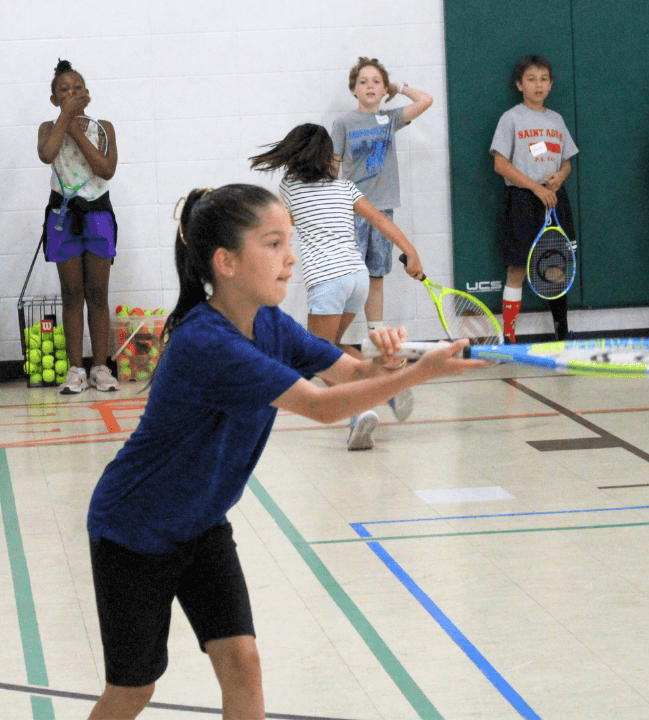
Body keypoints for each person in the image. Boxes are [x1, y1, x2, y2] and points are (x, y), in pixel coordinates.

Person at [85, 185, 484, 720]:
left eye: (288, 241)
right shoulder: (208, 343)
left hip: (200, 524)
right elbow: (321, 407)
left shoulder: (269, 323)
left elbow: (352, 372)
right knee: (133, 692)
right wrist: (419, 374)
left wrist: (389, 362)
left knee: (242, 661)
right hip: (135, 530)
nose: (291, 257)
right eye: (273, 243)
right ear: (225, 262)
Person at [250, 123, 425, 449]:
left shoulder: (290, 188)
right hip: (357, 277)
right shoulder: (345, 188)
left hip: (328, 280)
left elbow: (278, 227)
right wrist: (411, 252)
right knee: (332, 346)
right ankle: (390, 386)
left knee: (318, 355)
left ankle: (361, 411)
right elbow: (381, 220)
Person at [330, 57, 432, 340]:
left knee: (375, 277)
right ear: (354, 90)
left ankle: (376, 338)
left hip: (383, 211)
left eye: (376, 82)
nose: (370, 86)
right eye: (363, 82)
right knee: (350, 279)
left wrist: (398, 87)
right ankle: (330, 339)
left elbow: (426, 100)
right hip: (353, 211)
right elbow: (332, 163)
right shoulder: (343, 123)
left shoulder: (390, 119)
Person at [37, 59, 121, 393]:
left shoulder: (103, 127)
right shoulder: (48, 127)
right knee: (72, 293)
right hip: (63, 217)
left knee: (97, 293)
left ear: (86, 94)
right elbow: (47, 155)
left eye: (76, 89)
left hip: (98, 215)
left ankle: (100, 366)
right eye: (63, 90)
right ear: (54, 99)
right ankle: (75, 370)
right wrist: (64, 122)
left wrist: (75, 128)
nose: (70, 94)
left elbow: (105, 169)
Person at [490, 55, 577, 342]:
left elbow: (567, 162)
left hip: (554, 199)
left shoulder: (556, 119)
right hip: (522, 200)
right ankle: (509, 337)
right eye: (531, 79)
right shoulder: (511, 117)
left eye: (543, 79)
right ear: (519, 84)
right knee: (517, 268)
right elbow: (500, 164)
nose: (537, 85)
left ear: (550, 85)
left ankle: (562, 334)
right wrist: (535, 188)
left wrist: (561, 177)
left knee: (556, 265)